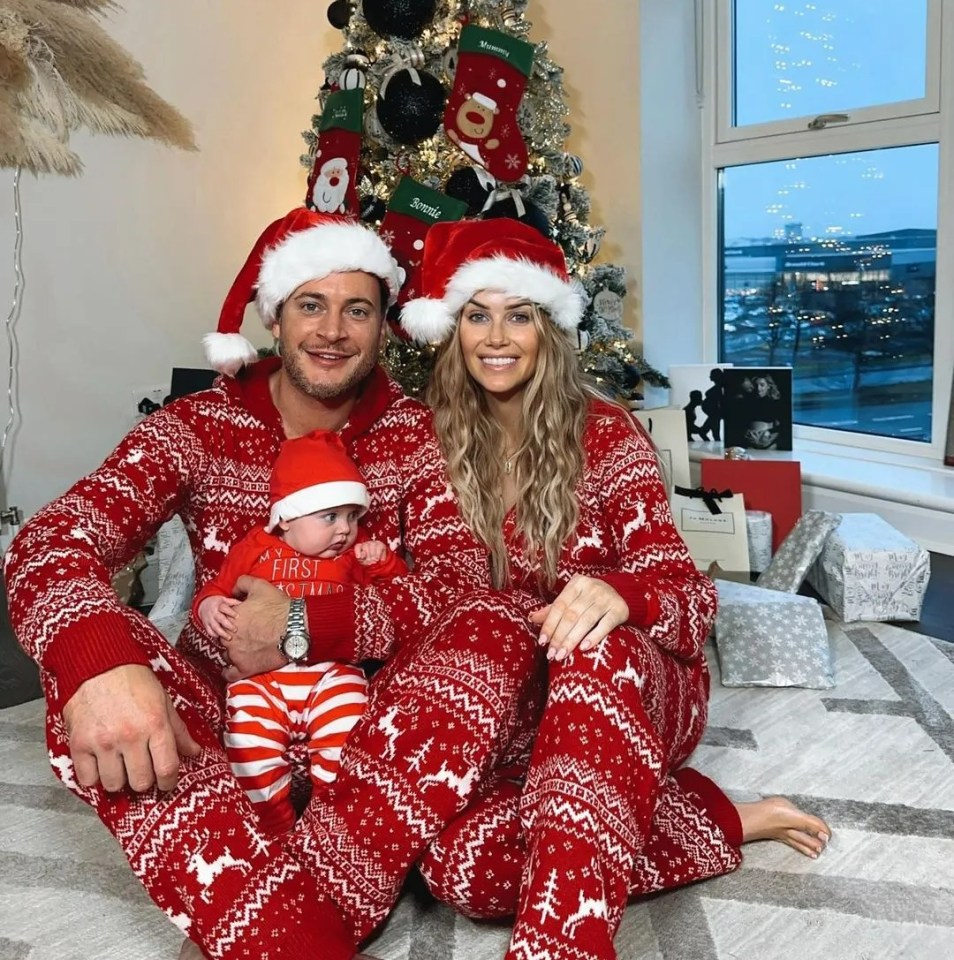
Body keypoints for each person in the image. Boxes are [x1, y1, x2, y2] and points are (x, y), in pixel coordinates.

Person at [6, 208, 542, 960]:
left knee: (499, 631)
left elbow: (458, 592)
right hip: (225, 721)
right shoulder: (196, 427)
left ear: (384, 323)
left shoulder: (424, 436)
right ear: (275, 315)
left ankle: (284, 905)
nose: (331, 331)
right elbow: (54, 538)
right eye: (309, 305)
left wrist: (302, 625)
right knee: (89, 660)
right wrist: (99, 661)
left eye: (357, 308)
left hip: (371, 732)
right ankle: (298, 926)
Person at [398, 218, 832, 960]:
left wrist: (622, 594)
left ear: (549, 328)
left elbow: (691, 600)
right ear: (450, 328)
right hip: (514, 710)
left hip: (628, 684)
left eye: (519, 314)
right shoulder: (415, 442)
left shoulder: (605, 433)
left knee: (594, 651)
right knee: (461, 870)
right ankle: (717, 814)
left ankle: (562, 947)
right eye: (477, 314)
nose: (496, 337)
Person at [193, 430, 407, 836]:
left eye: (351, 516)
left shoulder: (351, 555)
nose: (344, 530)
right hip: (260, 681)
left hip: (331, 672)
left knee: (347, 739)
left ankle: (332, 821)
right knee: (247, 749)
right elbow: (217, 588)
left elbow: (402, 600)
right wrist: (209, 607)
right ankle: (274, 826)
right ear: (287, 516)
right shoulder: (254, 546)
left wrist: (382, 562)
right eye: (329, 517)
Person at [699, 366, 725, 441]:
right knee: (709, 433)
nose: (710, 377)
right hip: (713, 414)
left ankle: (716, 449)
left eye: (711, 375)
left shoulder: (719, 388)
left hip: (715, 415)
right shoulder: (717, 387)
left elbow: (720, 401)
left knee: (713, 434)